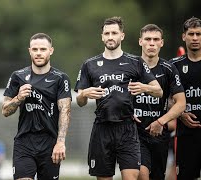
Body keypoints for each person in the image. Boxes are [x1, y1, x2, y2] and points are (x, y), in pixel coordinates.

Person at [74, 17, 163, 180]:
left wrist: (144, 87)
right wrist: (84, 94)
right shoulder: (90, 64)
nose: (110, 37)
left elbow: (159, 91)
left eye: (114, 33)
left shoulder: (135, 62)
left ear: (122, 35)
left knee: (132, 176)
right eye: (106, 33)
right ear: (102, 36)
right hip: (102, 128)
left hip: (127, 128)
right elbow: (80, 101)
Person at [2, 33, 71, 180]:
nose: (38, 53)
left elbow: (65, 111)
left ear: (51, 50)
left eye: (43, 49)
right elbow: (5, 110)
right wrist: (18, 98)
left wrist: (60, 142)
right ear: (29, 51)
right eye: (35, 49)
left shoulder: (60, 78)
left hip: (49, 142)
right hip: (24, 142)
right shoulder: (18, 76)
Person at [133, 24, 186, 180]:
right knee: (141, 174)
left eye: (156, 39)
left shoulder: (168, 69)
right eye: (147, 39)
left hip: (159, 135)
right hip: (135, 134)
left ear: (161, 43)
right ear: (140, 41)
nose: (151, 43)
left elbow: (181, 103)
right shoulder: (130, 67)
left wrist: (160, 122)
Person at [169, 17, 201, 180]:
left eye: (198, 34)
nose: (195, 38)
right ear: (184, 37)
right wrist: (180, 113)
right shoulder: (173, 65)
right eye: (191, 34)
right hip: (185, 136)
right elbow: (166, 99)